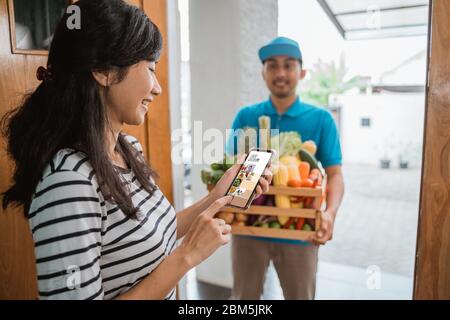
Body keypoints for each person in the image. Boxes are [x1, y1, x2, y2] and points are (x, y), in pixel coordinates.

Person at [0, 0, 272, 300]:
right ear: (103, 71)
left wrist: (216, 198)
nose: (157, 87)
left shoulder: (128, 148)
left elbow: (156, 230)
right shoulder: (69, 181)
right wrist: (186, 257)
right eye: (150, 68)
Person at [227, 37, 345, 300]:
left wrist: (330, 213)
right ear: (263, 72)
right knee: (243, 299)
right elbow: (229, 170)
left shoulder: (321, 119)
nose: (280, 73)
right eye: (272, 66)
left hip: (300, 230)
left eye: (289, 65)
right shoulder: (246, 117)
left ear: (301, 72)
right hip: (249, 226)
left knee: (300, 296)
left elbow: (335, 174)